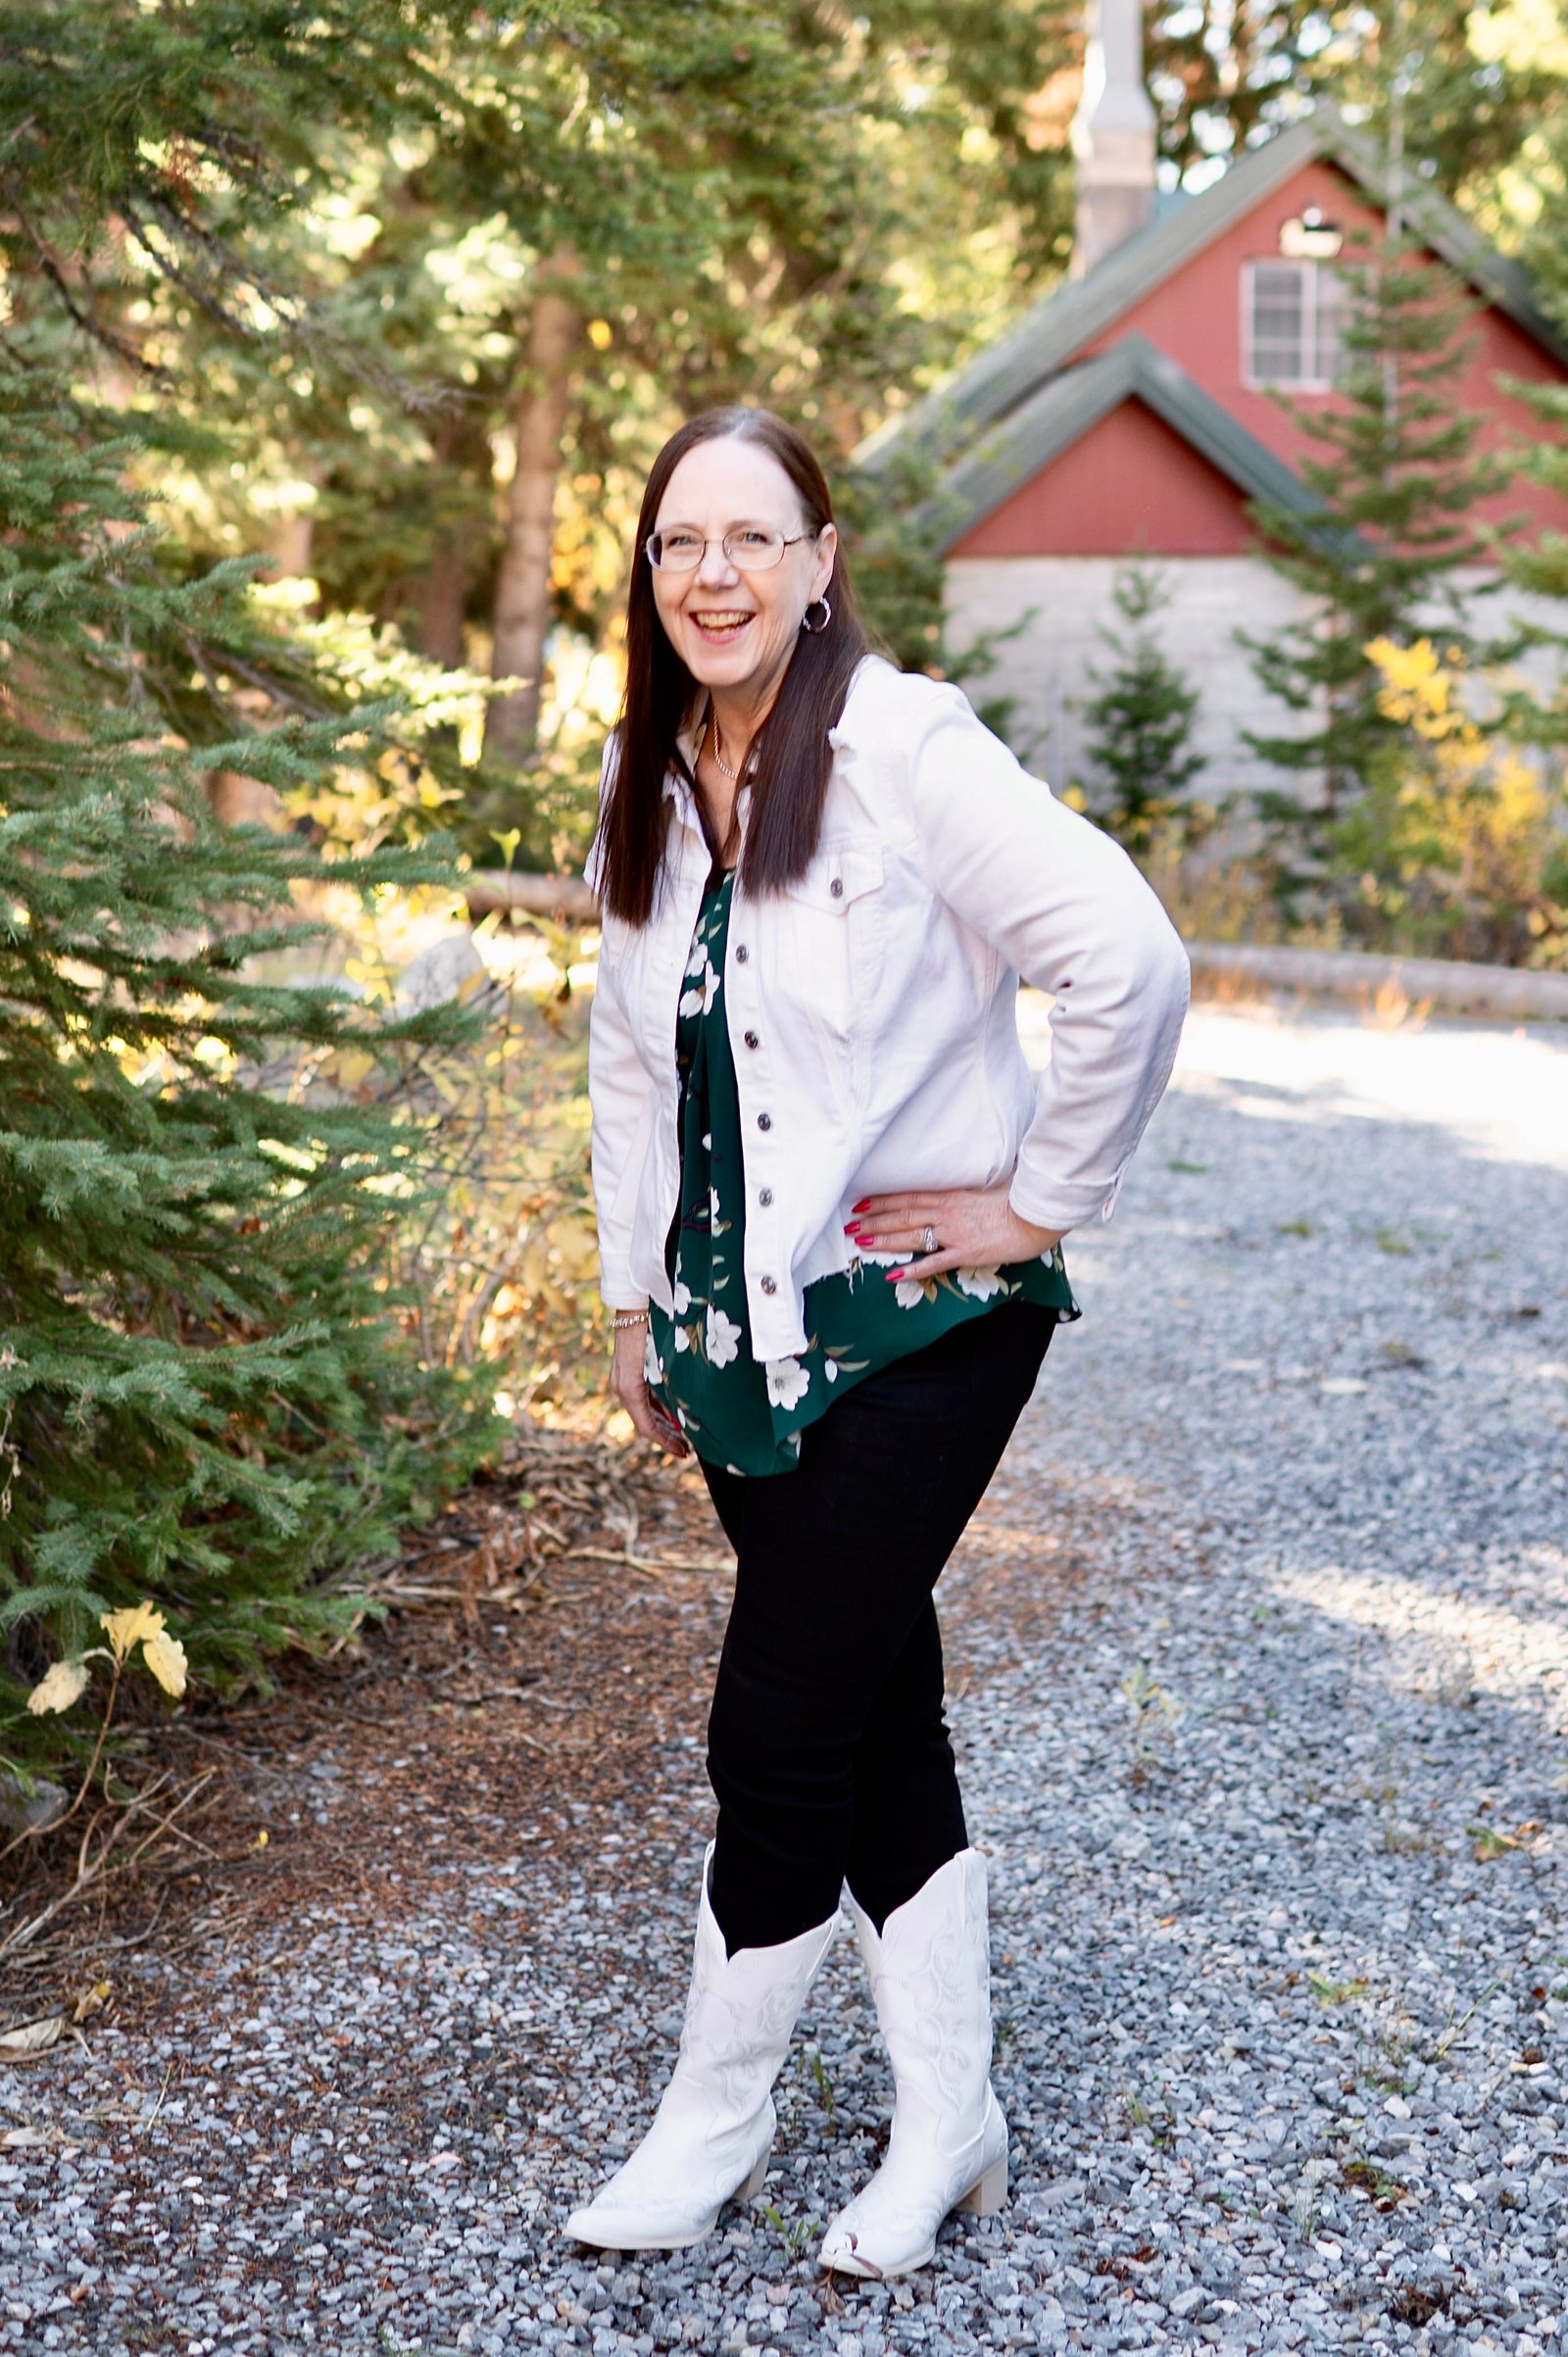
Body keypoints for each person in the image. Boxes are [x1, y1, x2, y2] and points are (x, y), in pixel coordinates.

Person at [567, 406, 1189, 2278]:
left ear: (821, 562)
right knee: (875, 1712)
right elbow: (628, 1059)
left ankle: (713, 2123)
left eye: (756, 538)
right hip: (747, 1336)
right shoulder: (663, 773)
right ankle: (951, 2118)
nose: (717, 574)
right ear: (652, 576)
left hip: (925, 1326)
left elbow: (1126, 957)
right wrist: (631, 1295)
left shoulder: (906, 748)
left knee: (775, 1721)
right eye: (682, 543)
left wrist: (1035, 1201)